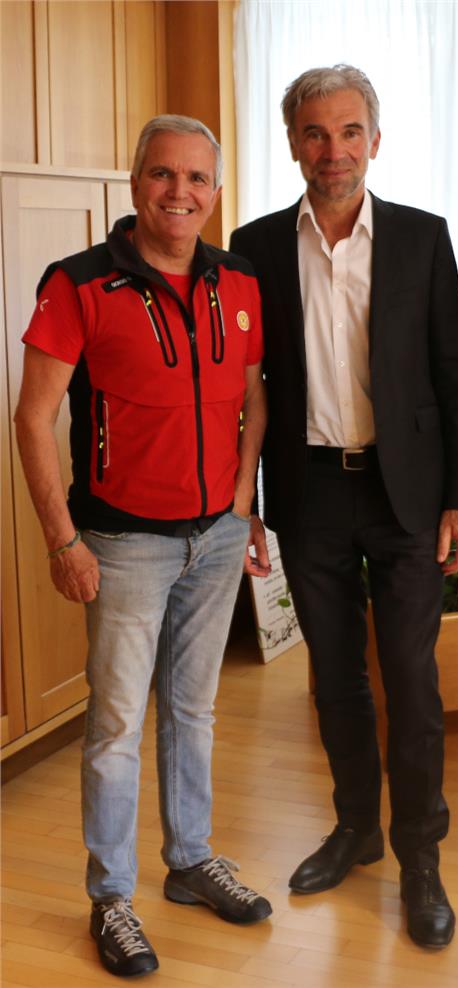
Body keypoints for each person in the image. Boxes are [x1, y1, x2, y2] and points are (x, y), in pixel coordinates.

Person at [14, 115, 274, 979]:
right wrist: (62, 540)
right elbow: (32, 416)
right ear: (136, 183)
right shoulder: (80, 282)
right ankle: (112, 896)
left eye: (198, 178)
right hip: (123, 543)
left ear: (215, 189)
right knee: (119, 723)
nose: (180, 193)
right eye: (164, 175)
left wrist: (244, 500)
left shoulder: (238, 280)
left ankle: (191, 860)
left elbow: (252, 393)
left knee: (194, 712)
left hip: (216, 534)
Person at [230, 65, 458, 949]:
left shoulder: (421, 237)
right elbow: (246, 387)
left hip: (405, 491)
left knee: (411, 681)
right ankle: (356, 828)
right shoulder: (254, 245)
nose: (331, 151)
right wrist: (249, 504)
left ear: (375, 140)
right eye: (313, 133)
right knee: (335, 678)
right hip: (308, 492)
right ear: (292, 140)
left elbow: (456, 377)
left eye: (348, 132)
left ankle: (421, 853)